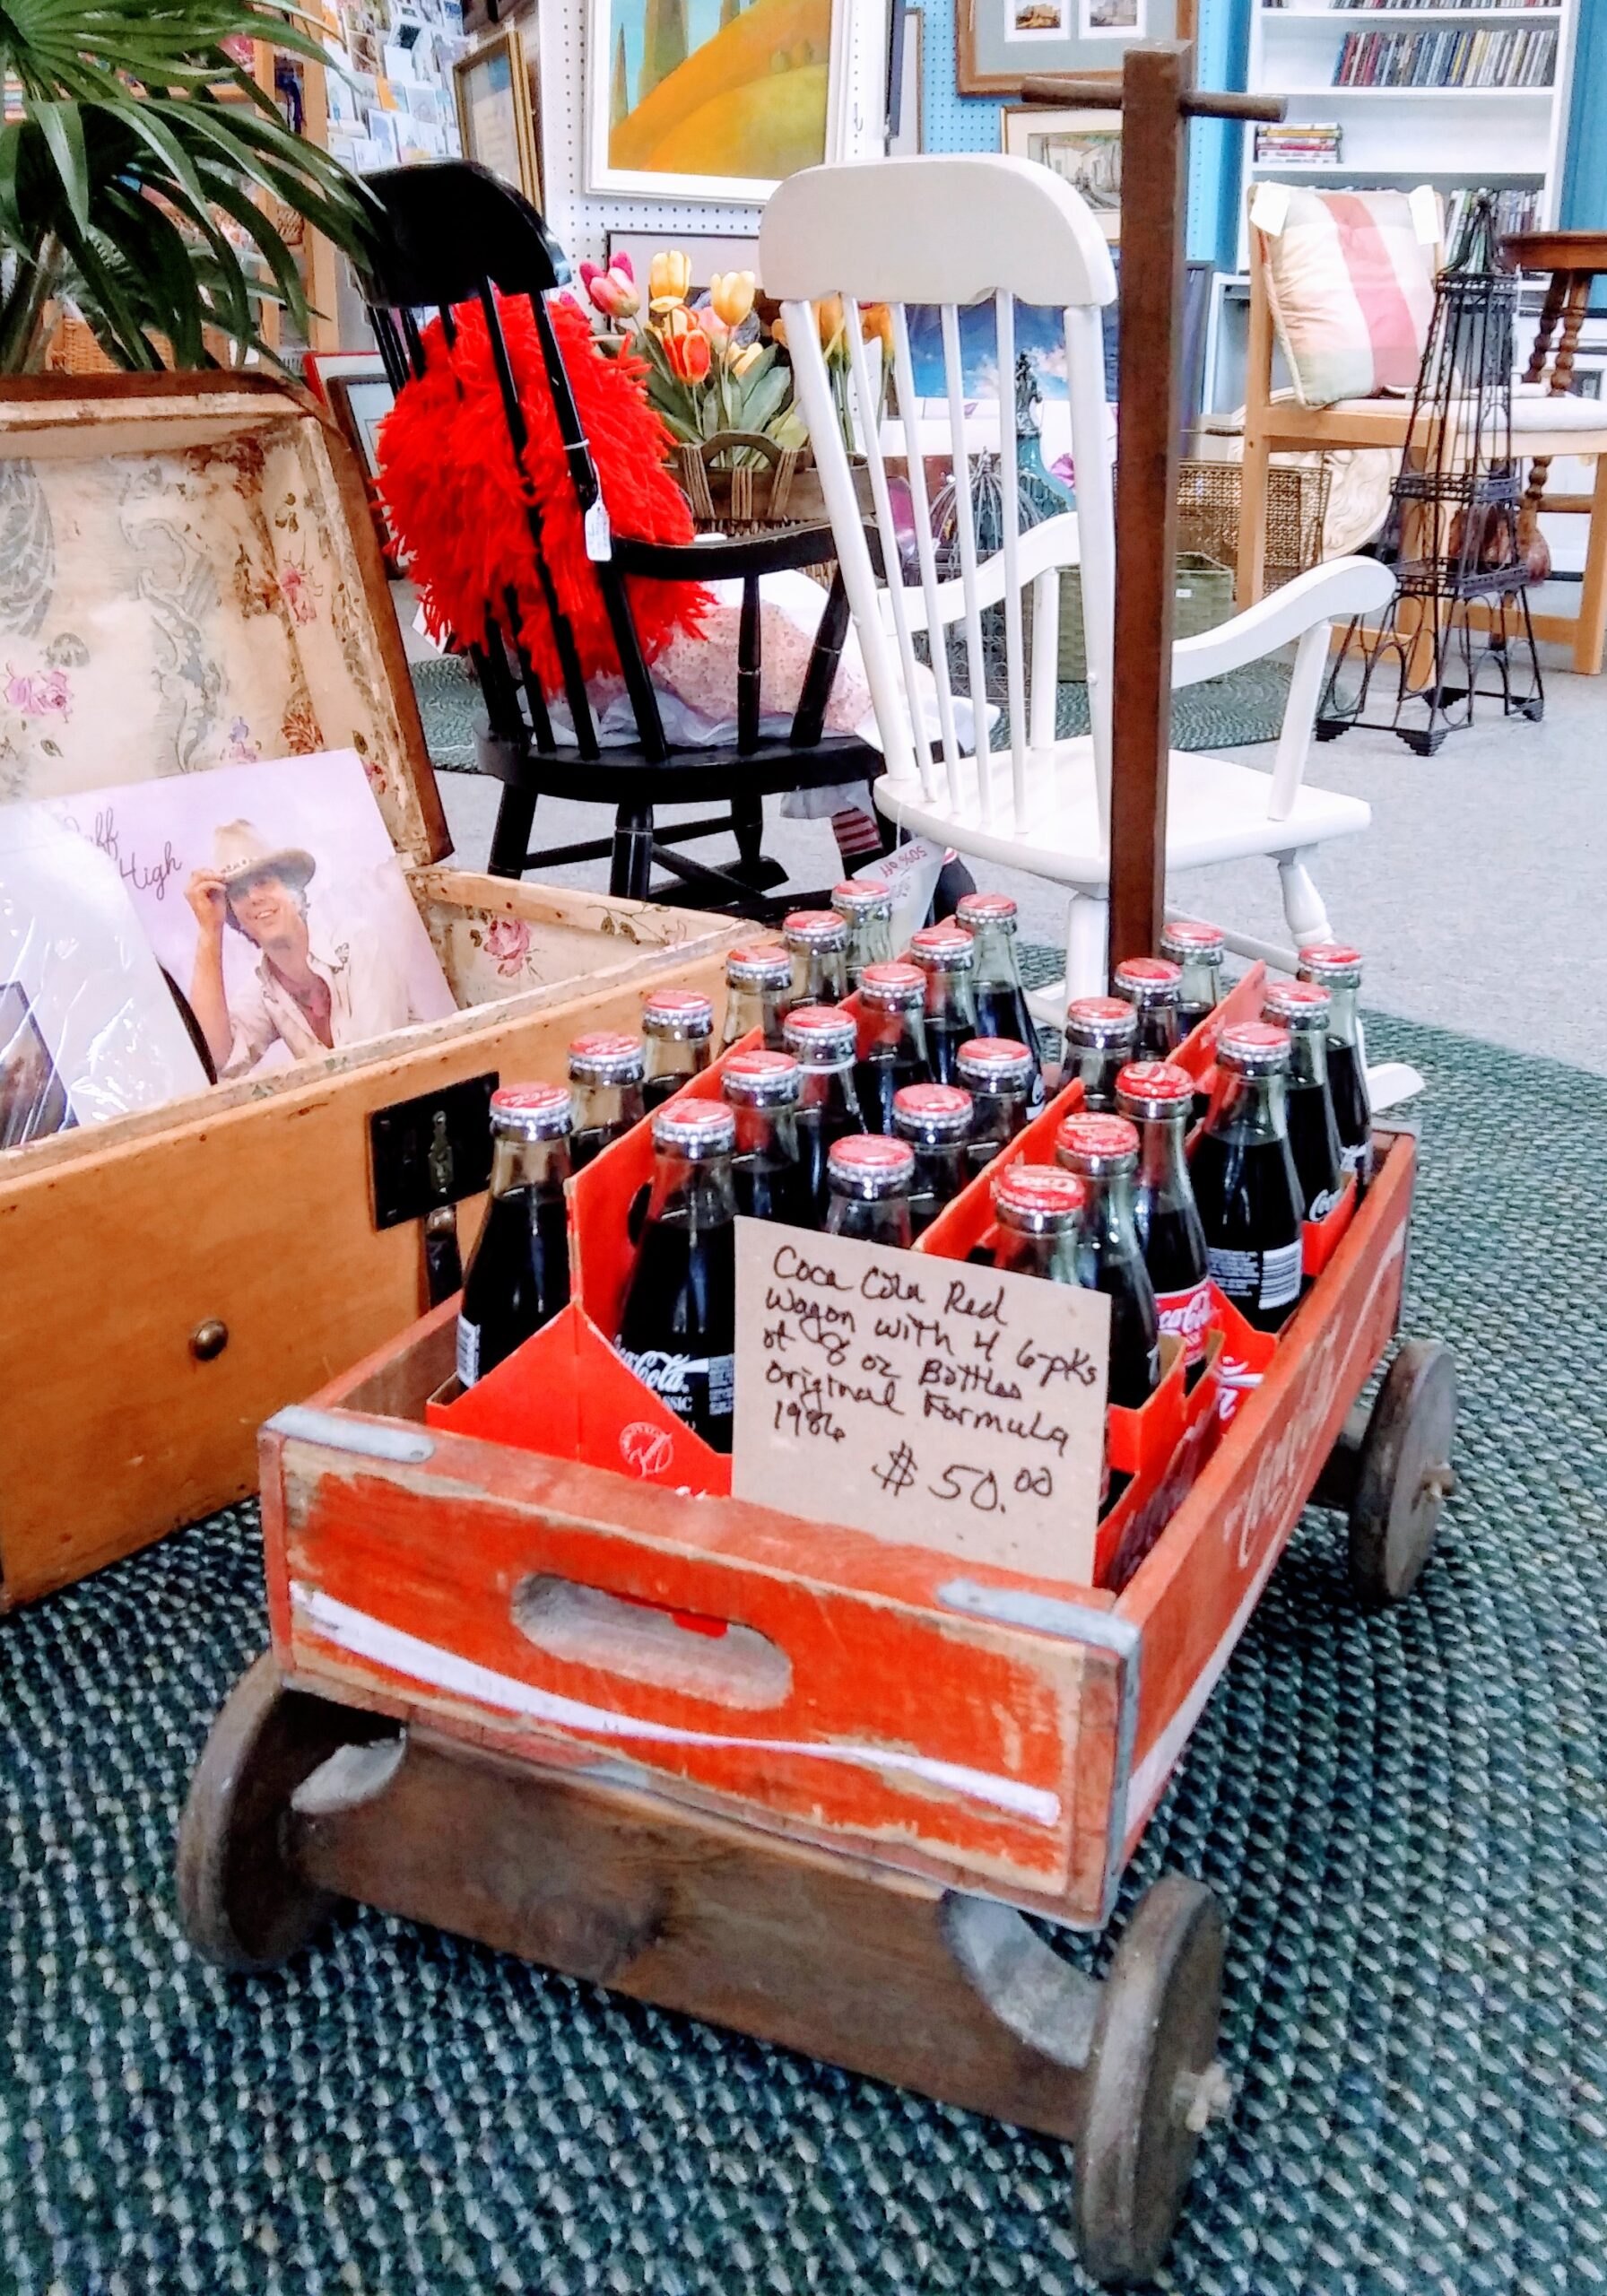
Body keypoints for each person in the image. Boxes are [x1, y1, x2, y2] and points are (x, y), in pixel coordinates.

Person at [186, 820, 426, 1077]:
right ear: (236, 918)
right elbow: (216, 1058)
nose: (254, 897)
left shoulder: (357, 941)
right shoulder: (263, 988)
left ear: (293, 889)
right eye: (239, 893)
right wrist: (210, 930)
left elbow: (378, 1066)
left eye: (264, 881)